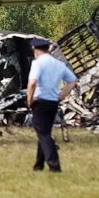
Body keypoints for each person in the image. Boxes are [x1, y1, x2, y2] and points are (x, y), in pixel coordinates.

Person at [26, 38, 77, 172]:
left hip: (40, 101)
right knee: (44, 132)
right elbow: (72, 81)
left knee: (43, 134)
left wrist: (29, 99)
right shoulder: (58, 64)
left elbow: (32, 83)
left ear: (35, 50)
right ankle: (38, 165)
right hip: (53, 102)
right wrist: (62, 95)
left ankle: (54, 165)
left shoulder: (38, 63)